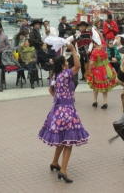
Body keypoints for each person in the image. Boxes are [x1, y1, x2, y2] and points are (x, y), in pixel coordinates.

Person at [38, 44, 89, 183]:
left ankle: (55, 162)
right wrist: (73, 50)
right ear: (62, 66)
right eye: (66, 63)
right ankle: (63, 171)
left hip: (57, 110)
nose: (68, 64)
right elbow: (78, 66)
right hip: (67, 111)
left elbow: (50, 90)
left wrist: (58, 97)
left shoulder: (55, 76)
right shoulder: (66, 74)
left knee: (62, 138)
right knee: (68, 142)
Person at [87, 28, 117, 109]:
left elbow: (92, 63)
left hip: (97, 70)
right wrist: (97, 31)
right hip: (106, 68)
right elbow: (102, 37)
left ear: (94, 43)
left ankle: (95, 101)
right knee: (105, 86)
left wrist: (89, 69)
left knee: (95, 85)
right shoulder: (104, 45)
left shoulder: (94, 52)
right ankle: (105, 102)